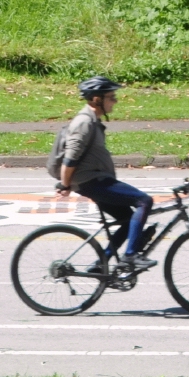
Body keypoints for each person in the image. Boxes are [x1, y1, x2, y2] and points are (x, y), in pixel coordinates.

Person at [50, 76, 155, 271]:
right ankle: (130, 256)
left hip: (95, 180)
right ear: (97, 99)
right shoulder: (84, 123)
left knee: (127, 220)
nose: (115, 101)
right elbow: (70, 158)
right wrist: (65, 185)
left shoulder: (92, 121)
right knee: (144, 201)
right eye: (111, 97)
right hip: (92, 181)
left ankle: (102, 263)